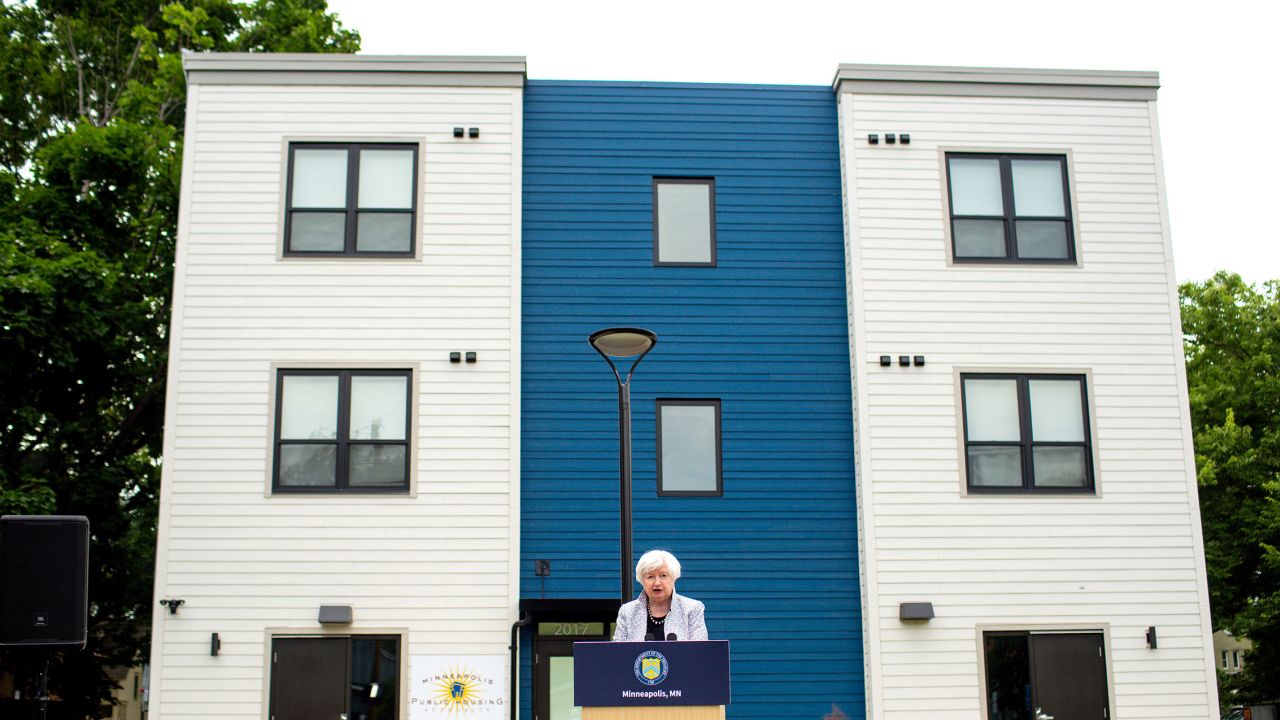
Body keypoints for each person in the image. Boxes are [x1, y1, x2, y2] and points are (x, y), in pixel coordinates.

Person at [613, 549, 708, 641]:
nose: (657, 583)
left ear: (673, 578)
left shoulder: (692, 609)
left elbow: (699, 652)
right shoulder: (627, 612)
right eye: (650, 577)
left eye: (663, 575)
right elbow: (618, 653)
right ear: (642, 581)